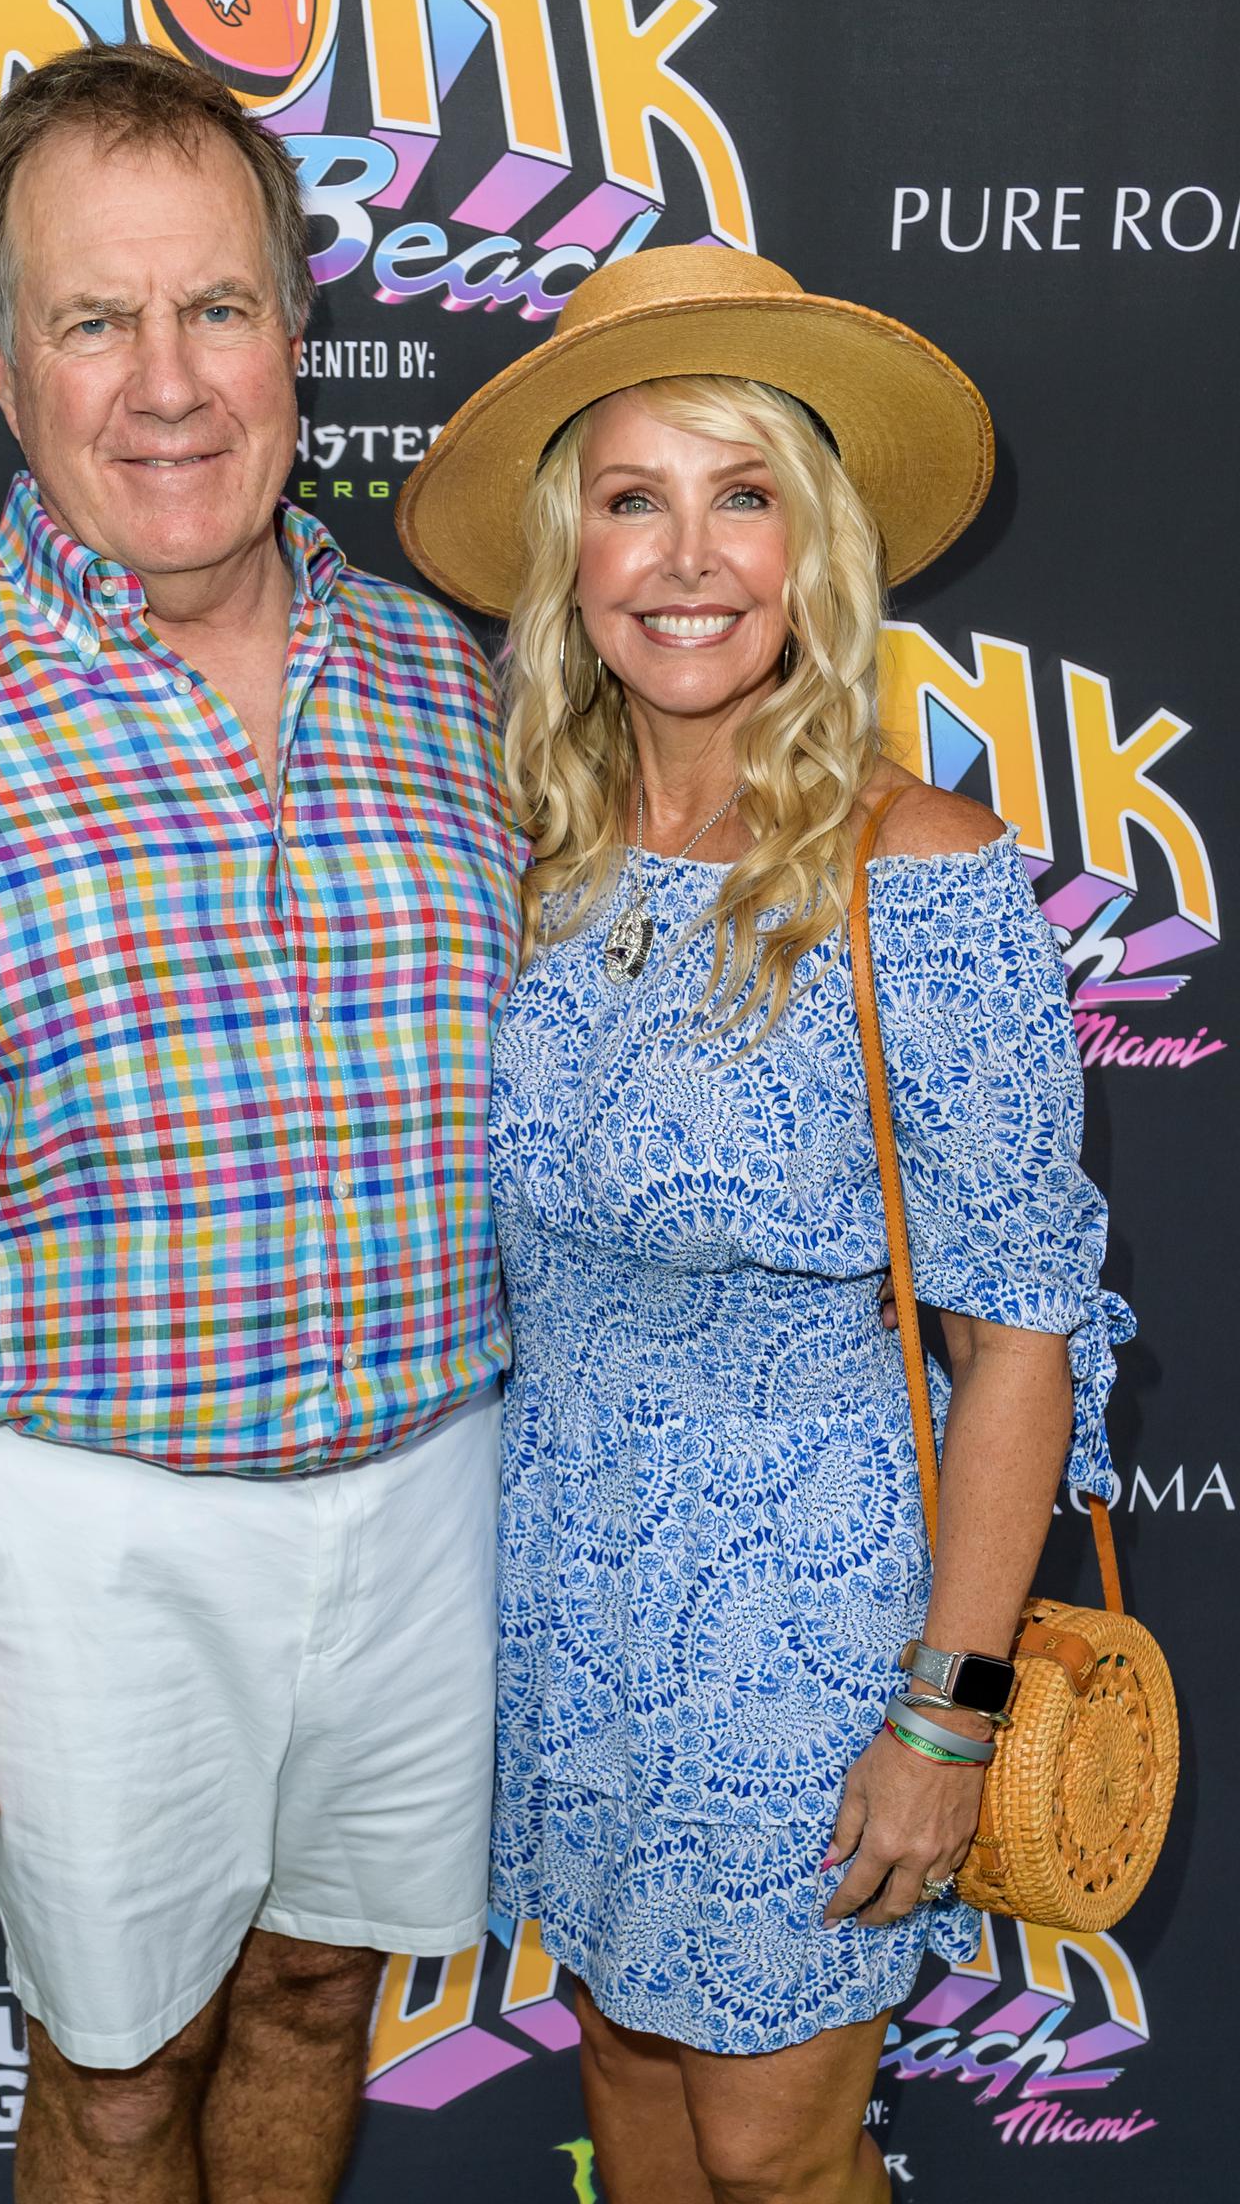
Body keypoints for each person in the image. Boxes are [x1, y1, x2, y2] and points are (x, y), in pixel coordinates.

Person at [0, 42, 524, 2204]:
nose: (165, 383)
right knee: (121, 2073)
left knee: (324, 1995)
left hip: (430, 1493)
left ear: (295, 330)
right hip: (76, 1532)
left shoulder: (456, 689)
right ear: (3, 372)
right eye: (94, 319)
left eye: (214, 308)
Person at [396, 245, 1131, 2204]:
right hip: (562, 1609)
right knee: (627, 2111)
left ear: (813, 548)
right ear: (571, 554)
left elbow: (1017, 1339)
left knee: (771, 2156)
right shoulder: (532, 857)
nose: (686, 556)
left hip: (810, 1641)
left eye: (743, 498)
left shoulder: (924, 874)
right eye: (631, 498)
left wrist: (943, 1717)